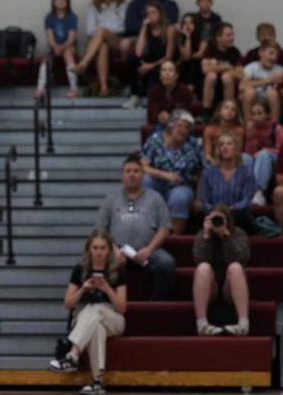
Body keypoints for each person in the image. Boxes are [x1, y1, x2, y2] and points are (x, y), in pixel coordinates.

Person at [47, 229, 127, 395]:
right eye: (95, 248)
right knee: (97, 327)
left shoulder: (117, 270)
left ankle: (73, 355)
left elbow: (122, 307)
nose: (98, 252)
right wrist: (83, 288)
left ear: (109, 249)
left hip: (113, 317)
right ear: (88, 249)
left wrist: (106, 288)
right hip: (85, 317)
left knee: (97, 309)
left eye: (103, 248)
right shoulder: (80, 269)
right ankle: (97, 381)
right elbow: (68, 303)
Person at [94, 155, 176, 300]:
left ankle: (158, 303)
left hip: (149, 249)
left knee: (166, 263)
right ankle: (112, 303)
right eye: (128, 171)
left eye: (136, 171)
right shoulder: (110, 199)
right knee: (103, 261)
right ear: (122, 175)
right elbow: (100, 229)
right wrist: (113, 249)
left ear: (143, 175)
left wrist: (149, 249)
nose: (132, 174)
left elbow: (165, 227)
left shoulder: (155, 198)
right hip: (118, 249)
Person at [140, 110, 203, 234]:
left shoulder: (193, 143)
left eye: (186, 127)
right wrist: (165, 175)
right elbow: (143, 167)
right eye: (179, 126)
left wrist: (198, 197)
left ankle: (174, 236)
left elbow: (201, 171)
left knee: (179, 198)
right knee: (146, 180)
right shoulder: (155, 140)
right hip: (157, 182)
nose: (183, 130)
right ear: (171, 125)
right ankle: (147, 232)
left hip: (182, 185)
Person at [191, 205, 251, 336]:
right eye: (213, 219)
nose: (216, 222)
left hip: (230, 287)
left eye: (220, 219)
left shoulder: (238, 233)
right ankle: (201, 324)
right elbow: (199, 259)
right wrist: (207, 236)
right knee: (203, 267)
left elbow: (241, 259)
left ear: (228, 220)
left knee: (235, 267)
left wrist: (226, 238)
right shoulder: (202, 234)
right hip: (210, 286)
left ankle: (243, 324)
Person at [199, 134, 260, 235]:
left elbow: (246, 199)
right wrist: (217, 211)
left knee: (239, 215)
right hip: (215, 216)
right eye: (221, 144)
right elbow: (205, 201)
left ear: (236, 149)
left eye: (229, 144)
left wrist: (230, 211)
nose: (225, 147)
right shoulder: (208, 172)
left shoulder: (247, 172)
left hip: (239, 216)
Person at [74, 0, 125, 96]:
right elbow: (89, 30)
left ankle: (84, 63)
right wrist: (107, 28)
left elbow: (123, 27)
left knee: (101, 31)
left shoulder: (122, 6)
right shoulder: (93, 7)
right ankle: (104, 88)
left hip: (117, 41)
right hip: (97, 42)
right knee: (102, 46)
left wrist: (104, 29)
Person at [125, 3, 174, 106]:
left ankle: (144, 94)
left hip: (161, 62)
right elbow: (138, 52)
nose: (150, 16)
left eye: (153, 13)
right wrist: (143, 28)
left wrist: (150, 66)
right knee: (132, 60)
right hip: (148, 61)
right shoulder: (146, 30)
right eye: (148, 14)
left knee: (160, 69)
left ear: (160, 14)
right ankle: (134, 95)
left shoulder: (169, 29)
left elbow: (169, 56)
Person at [34, 0, 80, 99]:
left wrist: (62, 47)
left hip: (69, 46)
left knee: (67, 54)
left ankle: (74, 89)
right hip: (54, 46)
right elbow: (50, 38)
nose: (60, 1)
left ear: (67, 2)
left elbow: (71, 38)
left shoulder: (72, 17)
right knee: (46, 58)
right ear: (53, 2)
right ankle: (40, 89)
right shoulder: (49, 17)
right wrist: (55, 47)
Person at [241, 40, 283, 122]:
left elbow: (280, 89)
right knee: (249, 93)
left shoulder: (279, 69)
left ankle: (275, 128)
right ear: (261, 52)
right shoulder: (251, 67)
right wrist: (269, 80)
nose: (274, 57)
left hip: (271, 100)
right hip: (255, 99)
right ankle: (248, 128)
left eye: (276, 55)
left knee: (272, 93)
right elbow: (242, 86)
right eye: (271, 53)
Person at [201, 22, 244, 113]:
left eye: (232, 35)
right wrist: (226, 67)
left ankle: (229, 110)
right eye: (228, 35)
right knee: (211, 76)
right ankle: (206, 112)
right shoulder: (210, 50)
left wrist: (218, 68)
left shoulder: (235, 52)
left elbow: (240, 74)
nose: (232, 38)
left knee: (227, 77)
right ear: (218, 38)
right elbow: (205, 69)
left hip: (230, 87)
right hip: (212, 86)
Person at [145, 61, 195, 135]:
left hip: (180, 124)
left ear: (177, 75)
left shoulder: (185, 91)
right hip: (160, 125)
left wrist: (170, 118)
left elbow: (186, 113)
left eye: (170, 70)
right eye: (164, 70)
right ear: (160, 75)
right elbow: (151, 115)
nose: (166, 73)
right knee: (156, 130)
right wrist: (160, 117)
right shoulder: (153, 91)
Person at [202, 99, 244, 166]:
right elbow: (207, 154)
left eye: (233, 110)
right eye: (226, 108)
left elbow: (237, 152)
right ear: (219, 112)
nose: (229, 111)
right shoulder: (209, 130)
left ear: (236, 114)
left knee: (246, 157)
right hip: (214, 161)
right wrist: (215, 166)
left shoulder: (239, 130)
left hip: (233, 162)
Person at [174, 12, 206, 92]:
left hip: (201, 62)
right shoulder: (181, 36)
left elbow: (200, 53)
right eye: (185, 23)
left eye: (191, 22)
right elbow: (186, 56)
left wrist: (188, 56)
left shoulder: (204, 31)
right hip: (187, 62)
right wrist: (188, 37)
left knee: (192, 61)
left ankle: (191, 87)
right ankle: (183, 90)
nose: (187, 25)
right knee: (184, 63)